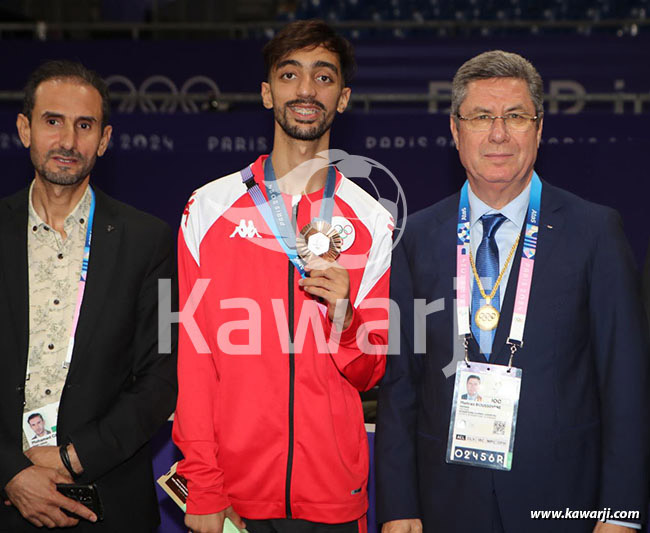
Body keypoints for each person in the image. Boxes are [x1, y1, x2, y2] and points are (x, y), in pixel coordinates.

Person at [375, 50, 649, 533]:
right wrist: (398, 508)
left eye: (516, 116)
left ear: (539, 130)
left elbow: (625, 385)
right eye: (481, 117)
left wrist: (622, 515)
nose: (498, 133)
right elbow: (402, 387)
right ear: (456, 132)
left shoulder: (595, 231)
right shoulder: (415, 238)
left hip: (567, 506)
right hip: (445, 505)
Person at [173, 19, 393, 533]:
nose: (306, 89)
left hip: (334, 495)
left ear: (343, 98)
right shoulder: (209, 208)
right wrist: (202, 482)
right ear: (268, 93)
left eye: (324, 77)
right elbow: (194, 355)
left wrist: (344, 318)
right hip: (233, 493)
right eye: (291, 75)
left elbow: (371, 370)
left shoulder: (374, 219)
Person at [0, 60, 177, 531]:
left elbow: (163, 374)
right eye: (52, 121)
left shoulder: (149, 240)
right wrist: (11, 471)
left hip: (107, 502)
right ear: (24, 129)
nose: (67, 141)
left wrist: (72, 458)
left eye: (85, 126)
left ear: (103, 139)